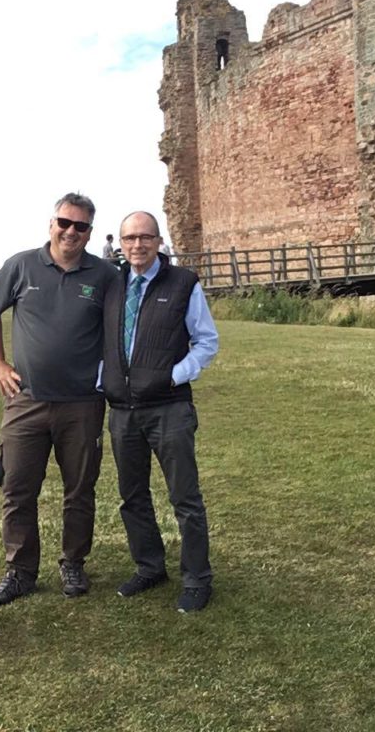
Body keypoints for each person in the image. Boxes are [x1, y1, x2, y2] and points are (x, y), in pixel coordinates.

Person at [0, 192, 119, 605]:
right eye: (64, 222)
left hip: (82, 403)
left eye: (80, 226)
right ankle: (20, 571)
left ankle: (73, 563)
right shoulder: (21, 265)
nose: (70, 232)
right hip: (27, 401)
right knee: (17, 488)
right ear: (51, 223)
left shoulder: (106, 274)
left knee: (80, 488)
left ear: (90, 232)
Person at [101, 211, 219, 613]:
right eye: (130, 238)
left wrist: (173, 376)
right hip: (122, 410)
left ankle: (197, 578)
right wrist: (106, 379)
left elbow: (206, 341)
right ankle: (150, 567)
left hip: (169, 408)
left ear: (158, 241)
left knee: (184, 498)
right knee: (132, 496)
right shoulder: (112, 284)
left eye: (145, 238)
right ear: (121, 243)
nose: (137, 245)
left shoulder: (182, 283)